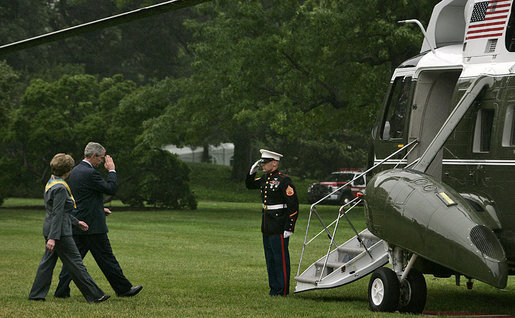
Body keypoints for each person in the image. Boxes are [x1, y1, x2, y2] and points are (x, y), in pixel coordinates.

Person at [54, 142, 142, 298]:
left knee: (74, 261)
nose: (102, 162)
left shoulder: (74, 171)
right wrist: (112, 170)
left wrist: (99, 208)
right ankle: (123, 289)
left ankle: (61, 290)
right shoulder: (90, 173)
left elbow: (83, 197)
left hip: (78, 222)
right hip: (93, 226)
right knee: (107, 259)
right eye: (101, 158)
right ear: (94, 156)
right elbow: (111, 189)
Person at [29, 153, 110, 303]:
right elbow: (58, 213)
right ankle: (94, 295)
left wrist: (76, 222)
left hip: (51, 228)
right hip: (60, 232)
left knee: (47, 263)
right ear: (68, 170)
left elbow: (58, 211)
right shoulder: (60, 188)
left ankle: (36, 295)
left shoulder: (52, 181)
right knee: (76, 264)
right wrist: (54, 238)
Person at [245, 149, 299, 296]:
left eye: (265, 162)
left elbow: (293, 205)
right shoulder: (265, 179)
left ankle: (282, 290)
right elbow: (249, 185)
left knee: (280, 259)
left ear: (274, 163)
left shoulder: (283, 180)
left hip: (279, 225)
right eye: (261, 162)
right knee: (270, 259)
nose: (262, 165)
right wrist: (251, 172)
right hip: (267, 224)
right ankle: (274, 289)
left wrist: (289, 226)